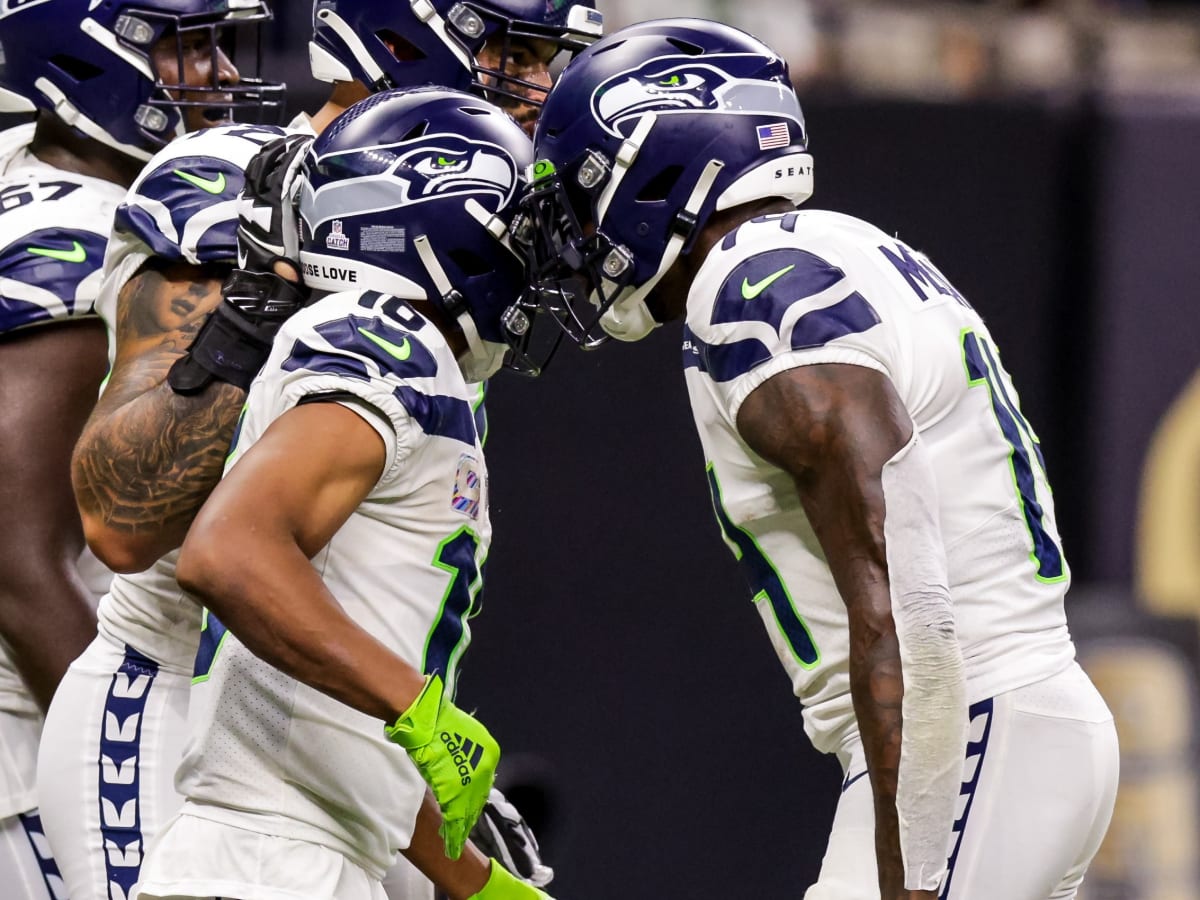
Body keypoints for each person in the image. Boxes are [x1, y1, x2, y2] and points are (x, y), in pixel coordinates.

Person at [518, 17, 1120, 900]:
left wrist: (910, 868)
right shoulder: (836, 249)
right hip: (1011, 721)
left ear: (656, 166)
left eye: (586, 192)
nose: (576, 231)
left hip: (966, 727)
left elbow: (907, 595)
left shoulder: (752, 286)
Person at [41, 1, 599, 897]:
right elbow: (120, 519)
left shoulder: (460, 228)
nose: (542, 87)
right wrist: (252, 307)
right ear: (403, 34)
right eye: (517, 50)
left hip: (330, 722)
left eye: (552, 59)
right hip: (175, 706)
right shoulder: (229, 185)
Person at [132, 85, 544, 900]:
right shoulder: (380, 334)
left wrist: (483, 887)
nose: (530, 254)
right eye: (514, 223)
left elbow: (332, 714)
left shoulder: (391, 347)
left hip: (287, 861)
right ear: (437, 219)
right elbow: (229, 552)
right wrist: (420, 710)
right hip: (264, 866)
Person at [0, 1, 280, 895]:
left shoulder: (22, 171)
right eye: (187, 46)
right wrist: (114, 759)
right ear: (78, 57)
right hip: (28, 746)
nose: (222, 76)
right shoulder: (81, 236)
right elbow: (16, 559)